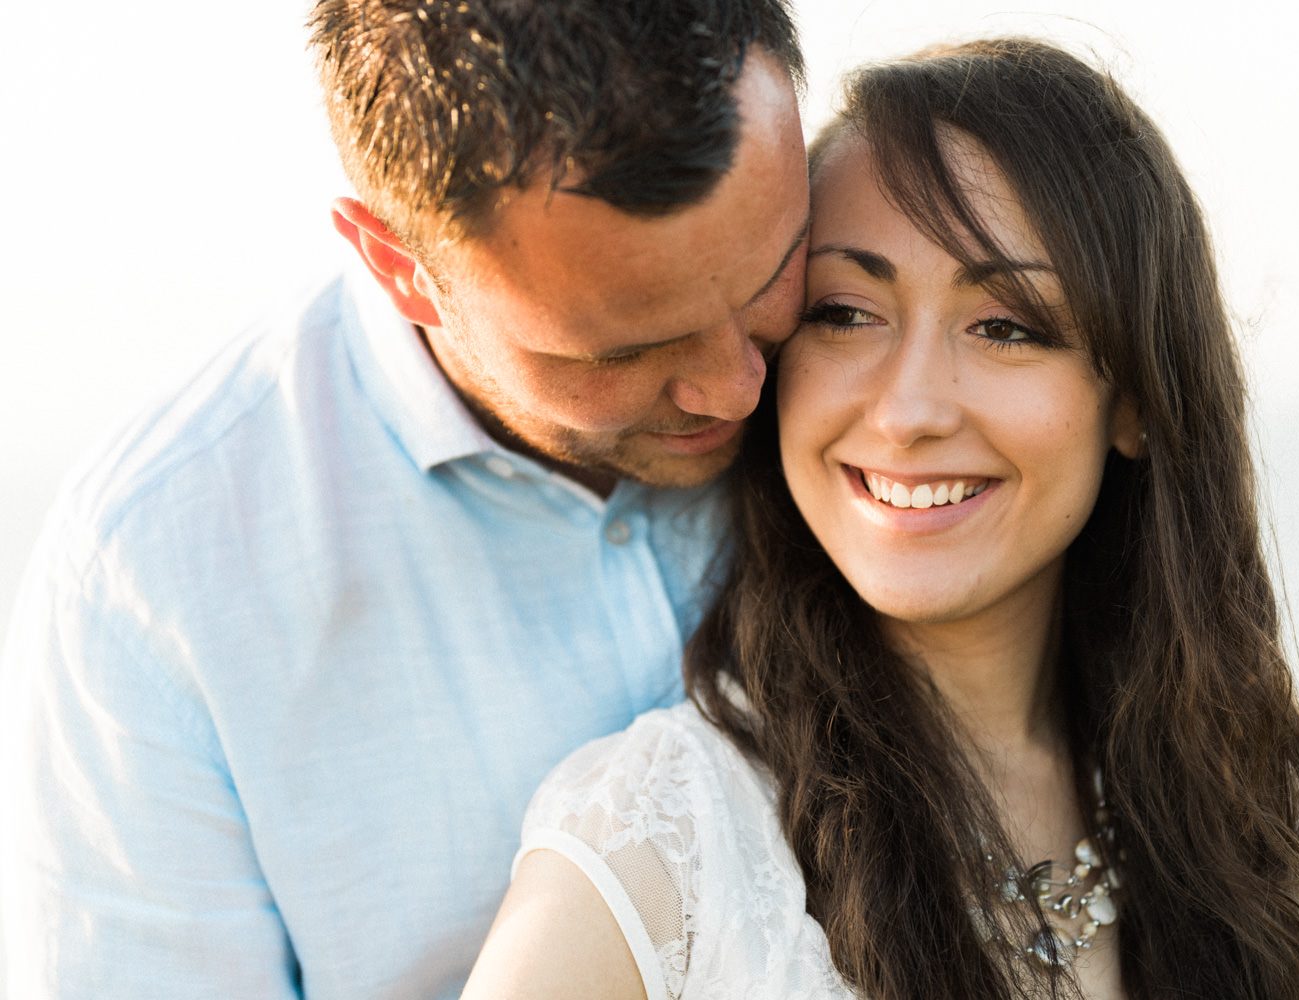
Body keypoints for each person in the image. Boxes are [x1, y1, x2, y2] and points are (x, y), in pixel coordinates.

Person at [460, 37, 1299, 1000]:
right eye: (845, 313)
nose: (908, 411)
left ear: (1137, 401)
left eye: (1005, 327)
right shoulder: (655, 845)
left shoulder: (1258, 810)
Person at [0, 2, 807, 997]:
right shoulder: (151, 578)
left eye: (775, 272)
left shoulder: (901, 384)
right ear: (399, 266)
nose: (736, 388)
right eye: (624, 350)